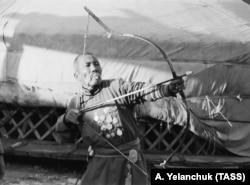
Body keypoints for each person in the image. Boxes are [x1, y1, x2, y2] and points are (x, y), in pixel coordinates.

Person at [55, 53, 185, 185]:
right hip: (100, 165)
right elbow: (64, 137)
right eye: (87, 65)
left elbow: (142, 90)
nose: (94, 68)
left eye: (96, 64)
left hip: (129, 161)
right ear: (77, 76)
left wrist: (166, 89)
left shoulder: (116, 86)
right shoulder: (77, 102)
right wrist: (66, 120)